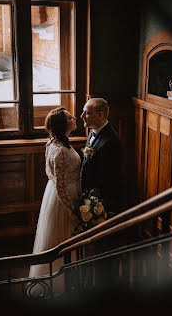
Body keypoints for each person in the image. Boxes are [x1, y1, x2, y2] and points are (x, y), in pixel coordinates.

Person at [29, 107, 81, 296]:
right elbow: (59, 185)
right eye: (69, 117)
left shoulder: (53, 143)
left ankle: (69, 278)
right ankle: (60, 284)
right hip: (63, 199)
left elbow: (48, 173)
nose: (73, 118)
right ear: (62, 124)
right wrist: (71, 212)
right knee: (62, 238)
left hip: (60, 193)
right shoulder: (59, 150)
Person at [80, 97, 122, 218]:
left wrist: (97, 204)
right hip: (88, 195)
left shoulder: (110, 141)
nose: (82, 115)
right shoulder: (92, 131)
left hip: (100, 201)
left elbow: (109, 178)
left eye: (87, 113)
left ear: (100, 115)